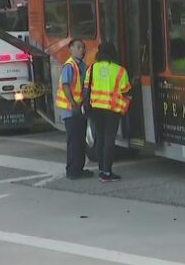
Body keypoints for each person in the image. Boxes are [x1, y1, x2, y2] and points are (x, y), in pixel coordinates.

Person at [84, 41, 131, 182]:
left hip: (95, 109)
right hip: (112, 110)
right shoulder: (120, 70)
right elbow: (126, 90)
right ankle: (107, 172)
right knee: (109, 139)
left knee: (99, 138)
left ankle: (101, 168)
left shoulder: (91, 69)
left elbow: (86, 89)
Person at [55, 39, 93, 179]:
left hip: (79, 110)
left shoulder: (82, 65)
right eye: (78, 47)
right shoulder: (69, 66)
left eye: (83, 47)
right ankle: (72, 171)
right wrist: (73, 103)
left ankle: (79, 169)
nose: (81, 50)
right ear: (70, 49)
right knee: (74, 142)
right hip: (71, 111)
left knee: (80, 141)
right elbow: (65, 85)